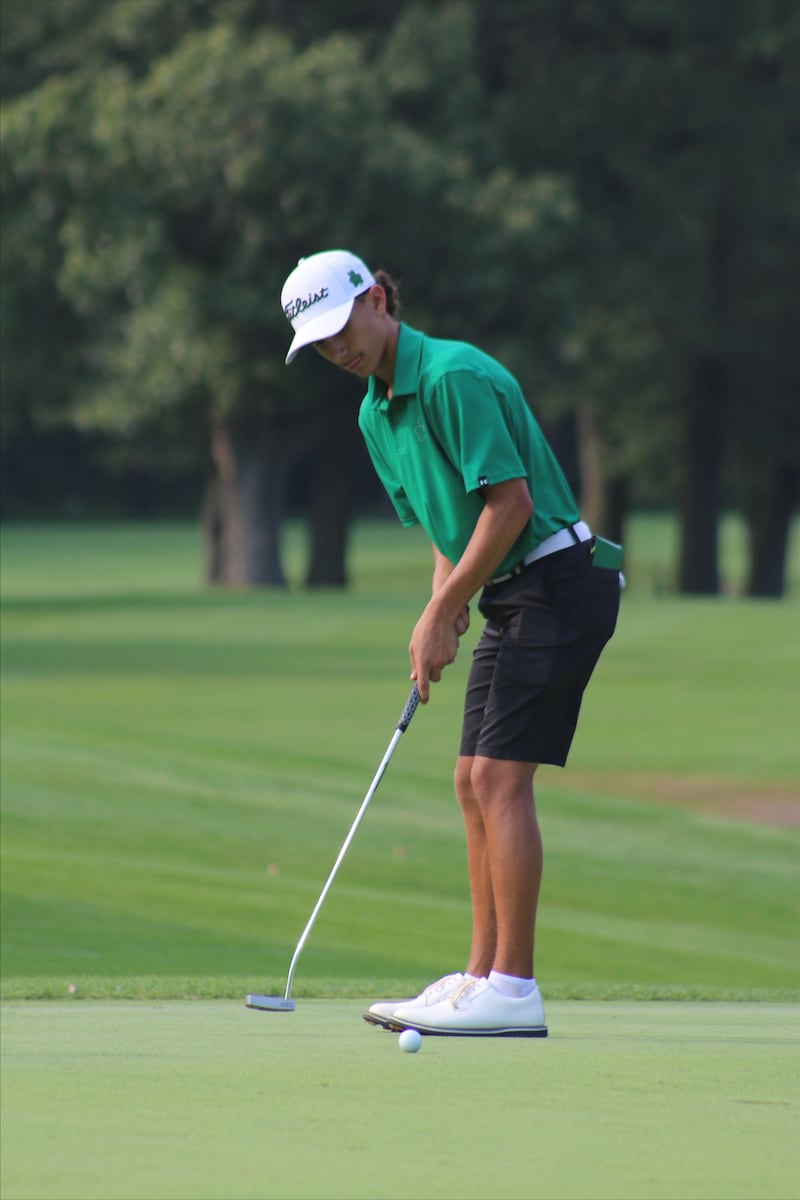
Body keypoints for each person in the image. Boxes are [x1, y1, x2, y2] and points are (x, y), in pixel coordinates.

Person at [280, 249, 621, 1036]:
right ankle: (479, 976)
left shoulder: (450, 378)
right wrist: (440, 608)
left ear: (376, 298)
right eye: (322, 345)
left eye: (341, 329)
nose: (339, 351)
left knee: (501, 781)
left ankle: (515, 985)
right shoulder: (375, 411)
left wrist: (444, 612)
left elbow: (507, 506)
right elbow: (451, 526)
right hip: (510, 592)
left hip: (559, 579)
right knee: (470, 778)